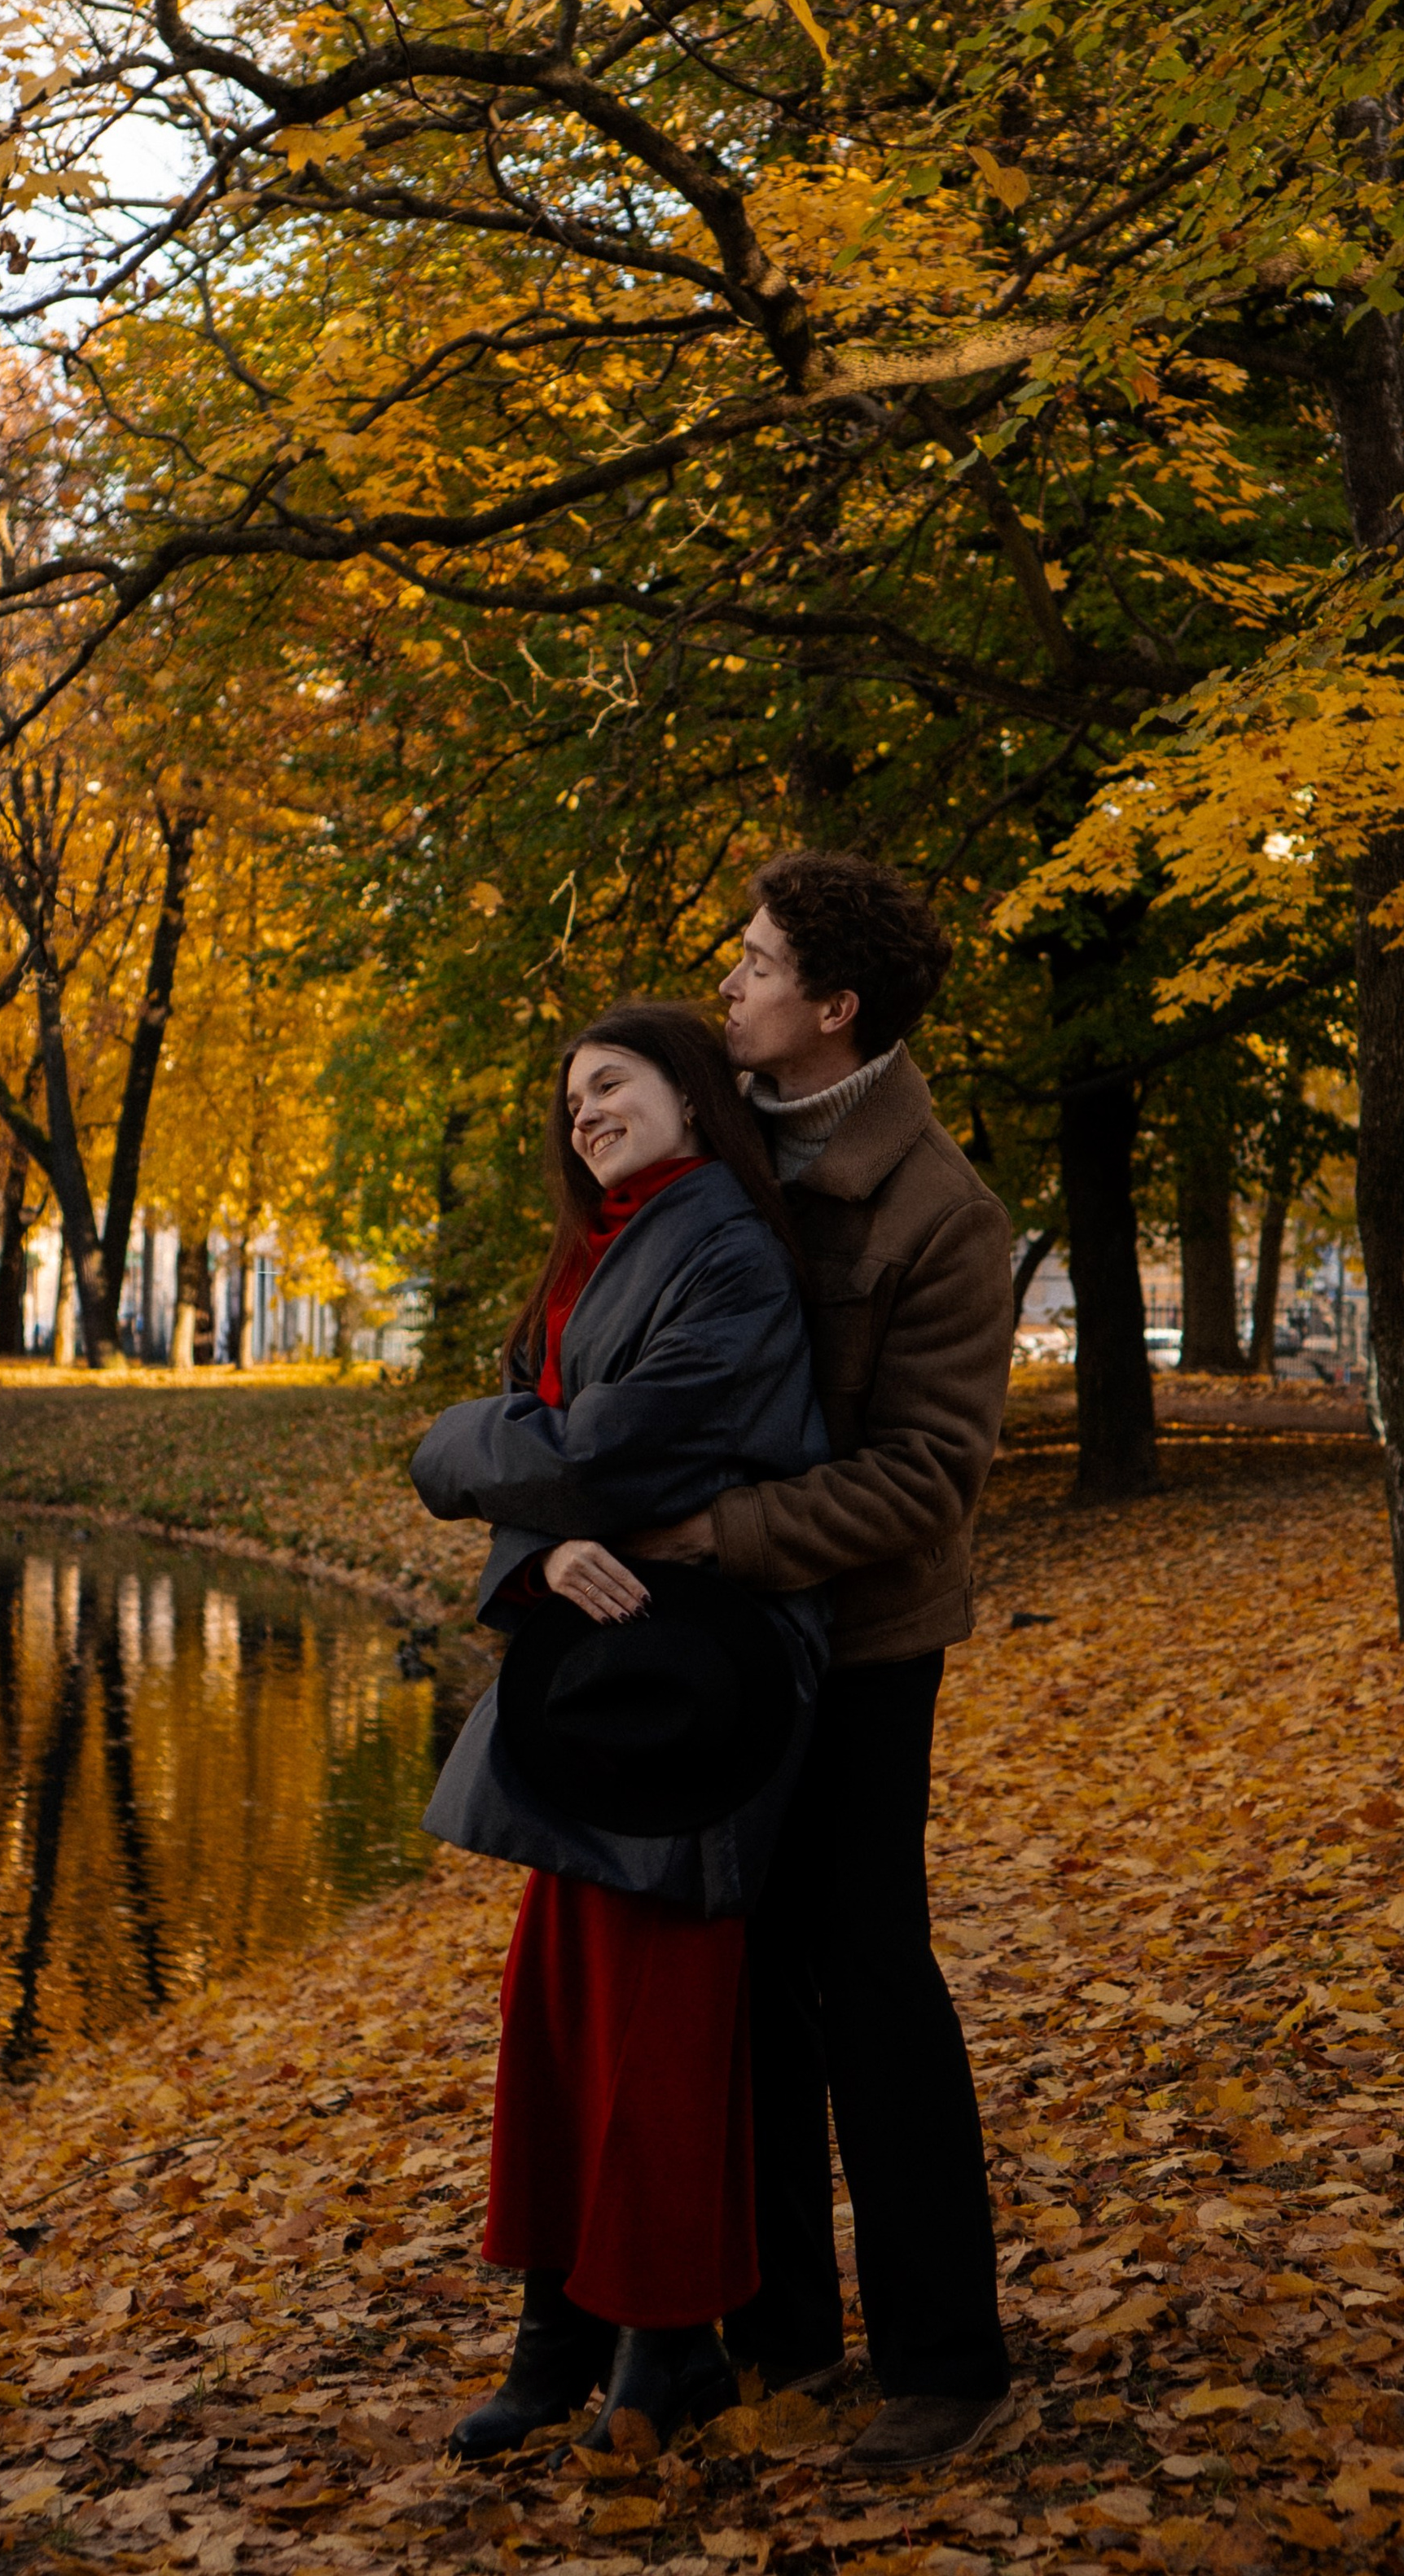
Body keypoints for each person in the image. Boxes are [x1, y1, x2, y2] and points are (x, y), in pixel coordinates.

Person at [633, 852, 1017, 2475]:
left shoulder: (941, 1210)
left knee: (865, 1977)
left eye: (758, 959)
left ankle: (941, 2359)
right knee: (743, 1990)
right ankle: (774, 2331)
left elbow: (928, 1477)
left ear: (834, 1006)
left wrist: (717, 1534)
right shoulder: (710, 1144)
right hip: (714, 1647)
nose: (728, 977)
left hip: (859, 1646)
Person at [410, 1001, 831, 2463]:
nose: (585, 1112)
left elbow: (599, 1451)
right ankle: (558, 2336)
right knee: (559, 2006)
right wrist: (533, 1550)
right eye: (572, 1098)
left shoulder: (724, 1244)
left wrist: (485, 1462)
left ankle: (669, 2346)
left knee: (660, 2013)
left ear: (696, 1097)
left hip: (698, 1677)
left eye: (614, 1084)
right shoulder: (591, 1252)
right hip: (598, 1657)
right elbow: (535, 1463)